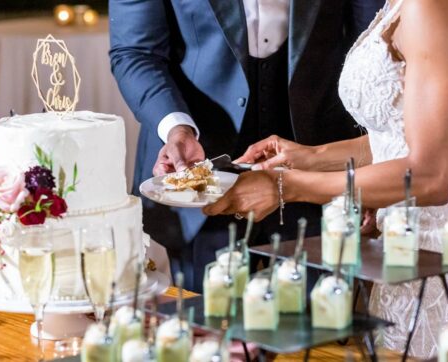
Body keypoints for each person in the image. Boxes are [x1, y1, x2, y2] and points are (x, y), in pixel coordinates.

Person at [204, 0, 448, 357]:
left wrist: (289, 186)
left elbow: (432, 175)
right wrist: (310, 157)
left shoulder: (432, 7)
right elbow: (400, 137)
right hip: (408, 240)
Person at [109, 0, 385, 291]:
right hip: (201, 180)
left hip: (320, 168)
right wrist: (177, 127)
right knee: (207, 327)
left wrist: (368, 163)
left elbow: (372, 40)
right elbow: (135, 51)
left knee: (324, 320)